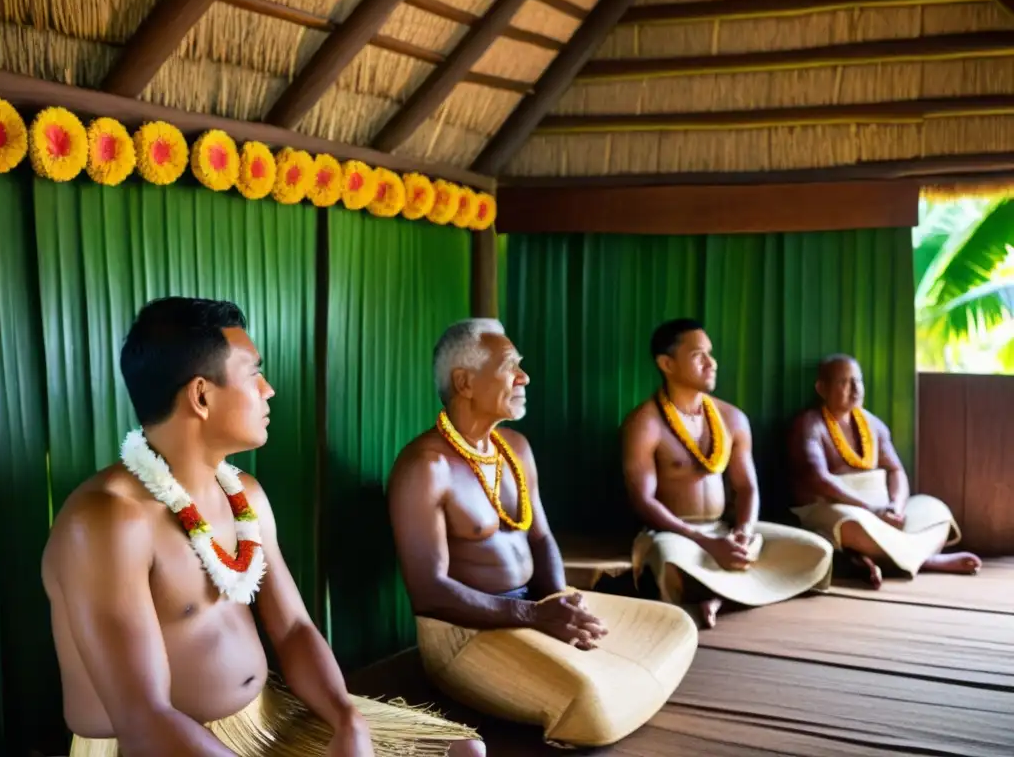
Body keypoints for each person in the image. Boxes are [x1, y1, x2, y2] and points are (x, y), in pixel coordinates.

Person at [41, 297, 483, 757]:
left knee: (465, 750)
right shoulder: (107, 521)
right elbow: (144, 719)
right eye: (254, 373)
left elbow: (293, 627)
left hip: (266, 721)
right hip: (160, 746)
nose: (267, 390)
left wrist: (347, 719)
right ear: (201, 395)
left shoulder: (243, 494)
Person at [386, 318, 699, 748]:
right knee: (590, 702)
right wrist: (536, 618)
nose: (524, 376)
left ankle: (594, 677)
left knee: (675, 625)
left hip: (536, 608)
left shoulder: (515, 447)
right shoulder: (425, 467)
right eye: (510, 366)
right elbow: (429, 592)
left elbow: (541, 539)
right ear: (465, 382)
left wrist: (556, 599)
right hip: (465, 635)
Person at [621, 318, 834, 629]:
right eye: (698, 356)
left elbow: (747, 488)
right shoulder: (645, 422)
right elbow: (642, 500)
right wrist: (705, 543)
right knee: (669, 563)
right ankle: (735, 590)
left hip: (725, 530)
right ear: (667, 363)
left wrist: (744, 532)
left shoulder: (732, 418)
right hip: (674, 533)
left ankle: (717, 593)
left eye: (710, 353)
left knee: (818, 551)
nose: (712, 363)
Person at [789, 353, 981, 588]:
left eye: (858, 381)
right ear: (822, 388)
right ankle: (926, 559)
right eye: (844, 382)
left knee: (935, 510)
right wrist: (870, 510)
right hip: (840, 508)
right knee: (849, 525)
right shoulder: (810, 424)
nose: (855, 389)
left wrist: (895, 507)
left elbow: (895, 471)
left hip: (885, 514)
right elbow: (818, 479)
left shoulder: (874, 425)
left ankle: (877, 558)